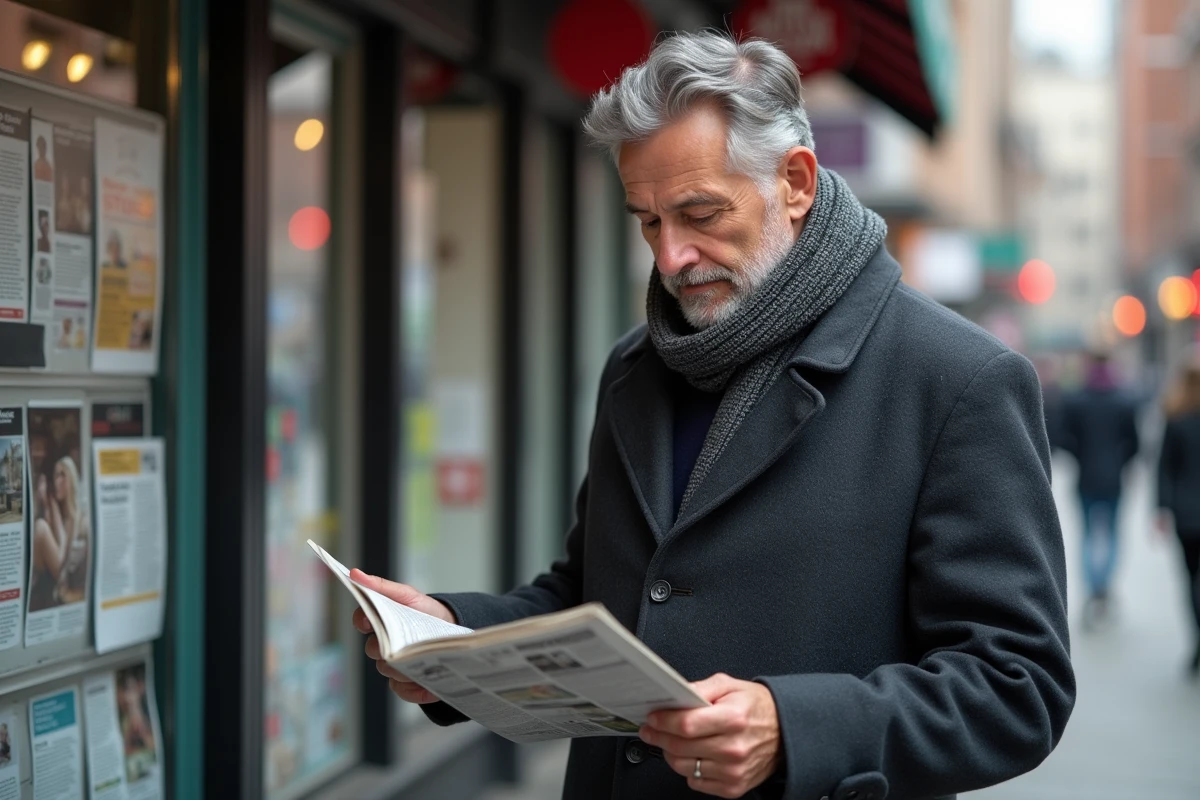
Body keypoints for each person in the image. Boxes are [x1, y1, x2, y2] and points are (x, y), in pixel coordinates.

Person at [352, 33, 1074, 800]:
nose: (671, 259)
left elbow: (1017, 685)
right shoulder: (635, 366)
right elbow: (594, 599)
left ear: (794, 182)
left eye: (699, 213)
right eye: (647, 221)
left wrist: (794, 727)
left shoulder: (958, 378)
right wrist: (452, 636)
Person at [1060, 352, 1140, 627]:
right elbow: (1135, 443)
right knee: (1113, 534)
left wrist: (1081, 456)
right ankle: (1103, 585)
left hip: (1086, 478)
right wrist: (1119, 461)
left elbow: (1062, 438)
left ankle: (1094, 586)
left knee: (1087, 535)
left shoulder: (1078, 400)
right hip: (1113, 478)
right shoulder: (1123, 401)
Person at [1156, 361, 1200, 678]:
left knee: (1191, 579)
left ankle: (1197, 637)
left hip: (1186, 514)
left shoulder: (1176, 417)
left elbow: (1164, 468)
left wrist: (1161, 507)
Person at [30, 457, 88, 611]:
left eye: (62, 475)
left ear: (72, 479)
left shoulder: (82, 521)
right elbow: (57, 558)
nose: (58, 481)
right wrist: (50, 509)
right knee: (40, 527)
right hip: (52, 585)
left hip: (70, 591)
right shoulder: (55, 516)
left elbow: (65, 566)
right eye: (56, 476)